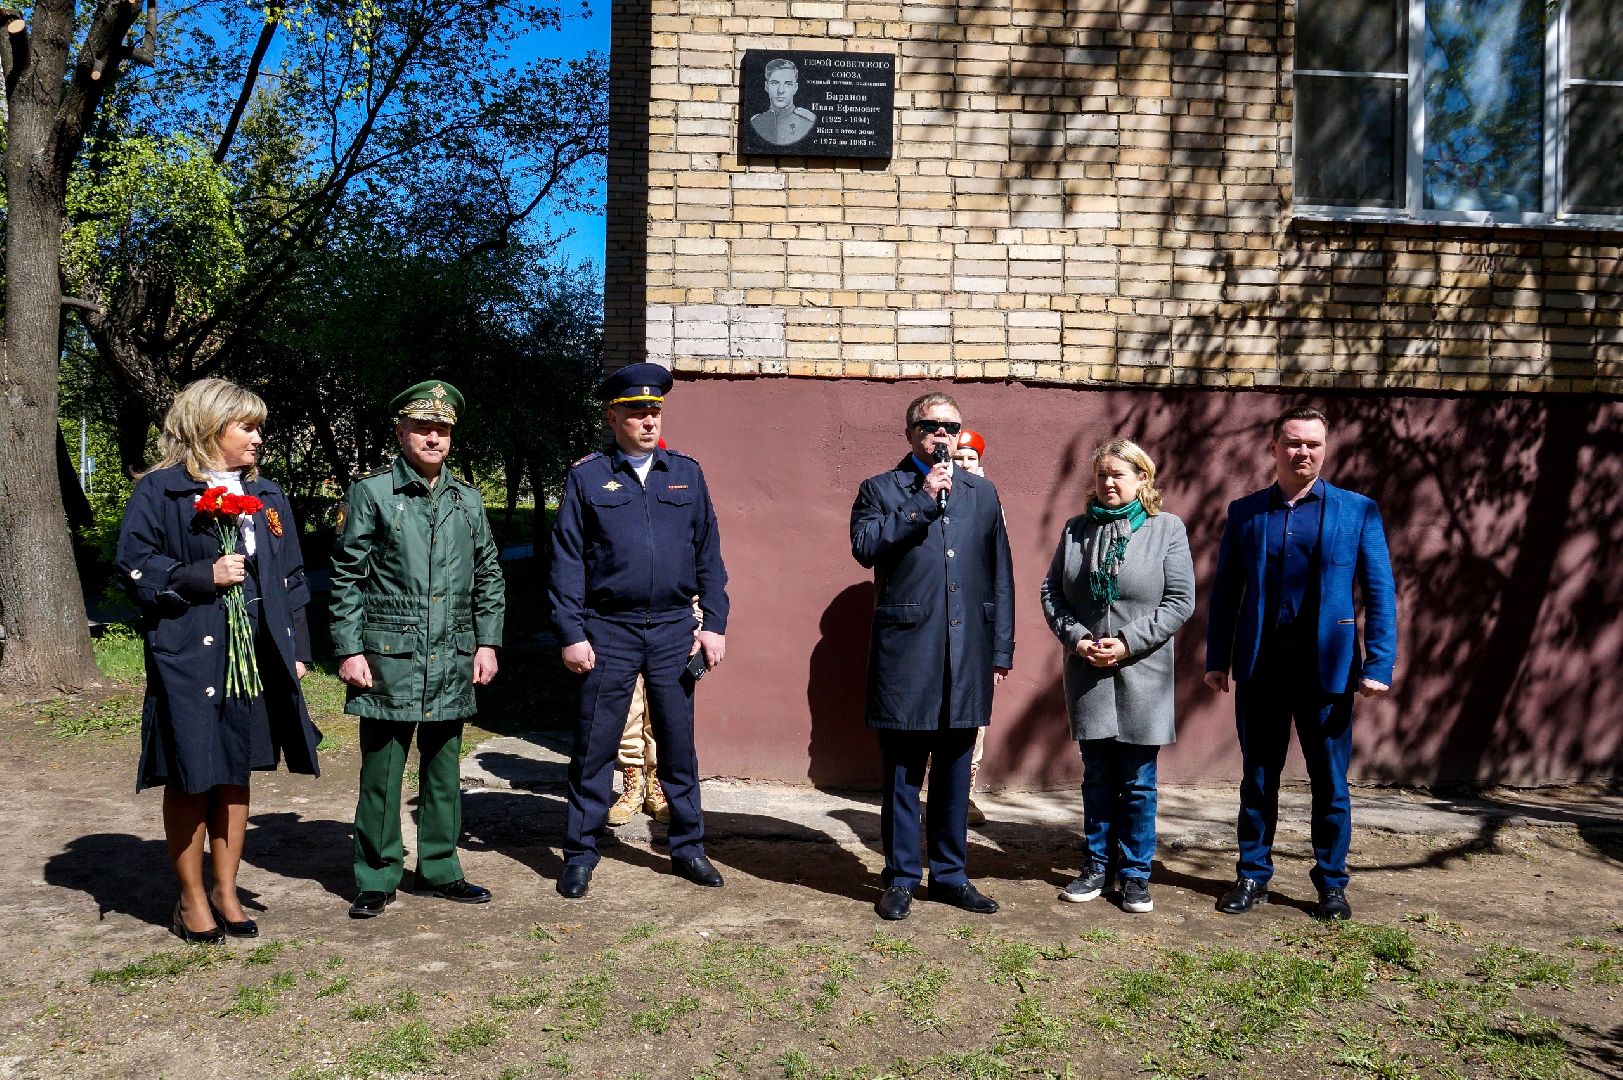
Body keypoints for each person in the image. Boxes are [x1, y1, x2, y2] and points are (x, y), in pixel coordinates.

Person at [116, 378, 322, 942]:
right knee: (192, 772)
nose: (258, 438)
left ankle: (226, 891)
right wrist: (200, 576)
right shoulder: (161, 491)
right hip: (189, 653)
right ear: (209, 429)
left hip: (253, 653)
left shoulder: (269, 494)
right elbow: (133, 566)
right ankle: (190, 898)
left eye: (259, 427)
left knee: (235, 772)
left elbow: (292, 578)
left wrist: (296, 648)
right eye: (247, 427)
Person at [1204, 405, 1397, 921]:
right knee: (1258, 777)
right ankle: (1252, 875)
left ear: (1325, 449)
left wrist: (1378, 663)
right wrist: (1217, 658)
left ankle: (1331, 883)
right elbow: (1226, 592)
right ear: (1273, 448)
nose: (1302, 452)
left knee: (1330, 782)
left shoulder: (1358, 511)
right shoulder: (1246, 513)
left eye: (1313, 444)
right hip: (1261, 666)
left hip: (1328, 671)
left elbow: (1380, 593)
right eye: (1293, 443)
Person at [549, 363, 730, 899]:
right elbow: (565, 562)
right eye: (636, 412)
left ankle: (689, 847)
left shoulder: (687, 474)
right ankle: (581, 853)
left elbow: (709, 556)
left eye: (655, 411)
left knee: (678, 744)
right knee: (595, 744)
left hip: (676, 629)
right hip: (608, 630)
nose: (648, 420)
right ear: (613, 417)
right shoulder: (586, 477)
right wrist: (570, 631)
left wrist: (713, 626)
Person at [332, 380, 506, 918]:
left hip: (452, 655)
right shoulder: (373, 494)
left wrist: (487, 641)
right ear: (401, 430)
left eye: (443, 429)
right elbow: (346, 577)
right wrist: (349, 649)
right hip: (389, 656)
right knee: (382, 771)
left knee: (443, 770)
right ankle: (377, 874)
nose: (434, 437)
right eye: (424, 427)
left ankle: (439, 868)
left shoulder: (468, 500)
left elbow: (489, 575)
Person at [851, 392, 1015, 921]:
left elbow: (1001, 576)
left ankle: (950, 875)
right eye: (931, 426)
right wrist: (922, 499)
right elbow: (865, 547)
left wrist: (1001, 645)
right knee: (902, 772)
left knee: (953, 768)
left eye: (952, 427)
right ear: (911, 433)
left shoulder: (983, 494)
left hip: (966, 652)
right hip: (907, 652)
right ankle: (900, 876)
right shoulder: (880, 489)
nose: (942, 435)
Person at [1040, 439, 1195, 914]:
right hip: (1088, 671)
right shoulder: (1076, 530)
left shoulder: (1165, 529)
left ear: (1142, 479)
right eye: (1101, 475)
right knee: (1097, 777)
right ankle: (1095, 865)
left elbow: (1179, 602)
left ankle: (1134, 875)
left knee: (1139, 780)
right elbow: (1053, 593)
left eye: (1118, 475)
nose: (1107, 483)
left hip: (1142, 671)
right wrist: (1078, 639)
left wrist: (1129, 641)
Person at [951, 429, 992, 825]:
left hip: (975, 631)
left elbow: (1000, 574)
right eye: (958, 458)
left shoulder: (989, 504)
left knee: (974, 720)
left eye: (970, 460)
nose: (964, 465)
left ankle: (965, 794)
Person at [749, 58, 816, 146]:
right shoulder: (756, 122)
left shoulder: (807, 122)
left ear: (795, 88)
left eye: (788, 84)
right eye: (774, 83)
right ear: (766, 86)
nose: (780, 90)